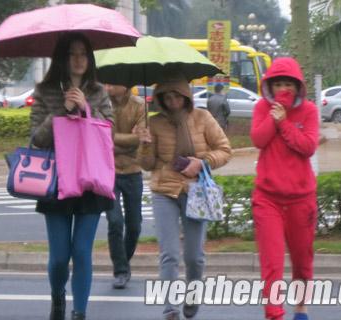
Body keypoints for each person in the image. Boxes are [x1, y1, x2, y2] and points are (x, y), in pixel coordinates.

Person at [30, 33, 114, 320]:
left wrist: (86, 109)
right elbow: (37, 140)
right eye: (72, 54)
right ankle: (57, 297)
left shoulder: (98, 91)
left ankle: (79, 312)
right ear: (62, 58)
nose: (79, 59)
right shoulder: (44, 91)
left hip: (89, 179)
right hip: (55, 180)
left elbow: (108, 133)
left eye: (83, 54)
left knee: (81, 251)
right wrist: (62, 112)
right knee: (59, 257)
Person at [134, 74, 231, 320]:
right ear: (160, 99)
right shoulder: (154, 123)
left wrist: (203, 163)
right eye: (166, 97)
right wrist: (144, 144)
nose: (172, 101)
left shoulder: (202, 118)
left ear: (185, 96)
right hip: (163, 190)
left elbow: (224, 149)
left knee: (194, 257)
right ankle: (170, 309)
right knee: (169, 253)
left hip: (195, 190)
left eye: (176, 95)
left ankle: (192, 297)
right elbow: (147, 164)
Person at [250, 57, 319, 320]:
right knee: (272, 264)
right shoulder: (261, 107)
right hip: (267, 199)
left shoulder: (309, 111)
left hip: (301, 199)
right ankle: (274, 315)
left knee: (302, 262)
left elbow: (307, 146)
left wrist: (285, 123)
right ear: (269, 86)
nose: (283, 90)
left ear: (297, 86)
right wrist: (274, 117)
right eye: (277, 84)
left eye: (288, 85)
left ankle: (301, 307)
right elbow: (258, 139)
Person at [104, 84, 146, 289]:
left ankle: (124, 262)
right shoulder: (101, 104)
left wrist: (113, 141)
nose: (108, 86)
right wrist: (127, 141)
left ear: (125, 85)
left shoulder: (139, 106)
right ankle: (120, 271)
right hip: (107, 171)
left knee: (134, 225)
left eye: (113, 82)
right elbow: (100, 135)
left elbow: (140, 138)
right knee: (114, 222)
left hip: (133, 170)